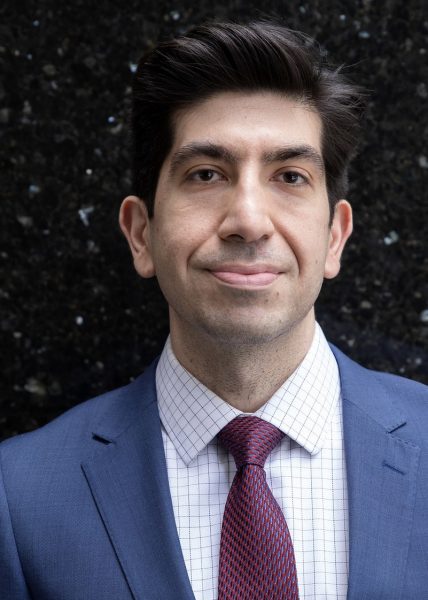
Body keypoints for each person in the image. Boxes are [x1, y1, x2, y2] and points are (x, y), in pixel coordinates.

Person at [1, 20, 427, 600]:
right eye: (206, 174)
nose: (248, 220)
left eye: (290, 176)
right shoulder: (17, 496)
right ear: (141, 234)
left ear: (335, 237)